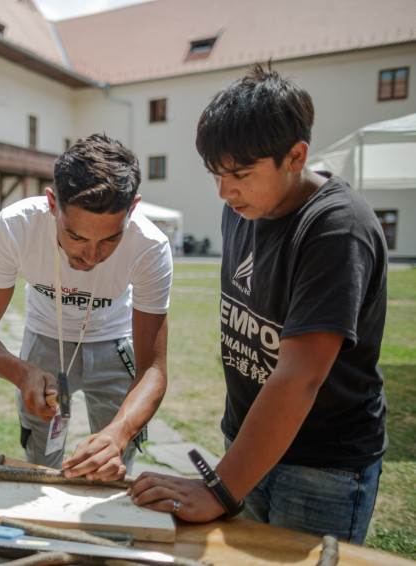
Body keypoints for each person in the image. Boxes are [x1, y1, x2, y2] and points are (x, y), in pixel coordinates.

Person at [130, 63, 388, 545]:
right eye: (215, 174)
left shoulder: (337, 227)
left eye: (241, 174)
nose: (225, 191)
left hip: (322, 466)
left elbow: (299, 376)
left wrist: (222, 489)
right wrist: (233, 469)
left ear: (295, 156)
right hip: (249, 441)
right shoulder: (245, 207)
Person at [0, 133, 172, 480]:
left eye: (110, 239)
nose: (91, 256)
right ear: (51, 202)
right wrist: (23, 372)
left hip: (114, 342)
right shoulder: (15, 226)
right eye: (75, 236)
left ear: (132, 208)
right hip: (45, 340)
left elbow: (153, 368)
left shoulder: (150, 245)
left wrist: (118, 434)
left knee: (111, 467)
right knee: (40, 460)